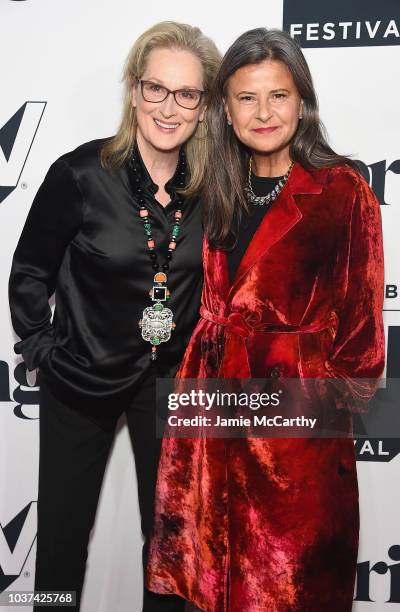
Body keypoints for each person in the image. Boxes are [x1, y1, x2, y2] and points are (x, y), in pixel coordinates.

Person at [146, 28, 385, 612]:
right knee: (209, 577)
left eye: (278, 95)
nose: (263, 112)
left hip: (296, 429)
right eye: (246, 98)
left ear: (302, 102)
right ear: (224, 110)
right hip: (207, 414)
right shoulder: (210, 186)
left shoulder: (341, 188)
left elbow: (362, 325)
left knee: (289, 583)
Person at [8, 21, 220, 612]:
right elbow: (28, 275)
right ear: (133, 92)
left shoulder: (212, 188)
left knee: (172, 548)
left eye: (186, 95)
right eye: (157, 89)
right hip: (81, 382)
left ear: (204, 108)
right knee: (60, 545)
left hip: (170, 389)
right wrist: (45, 350)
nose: (169, 108)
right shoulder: (79, 174)